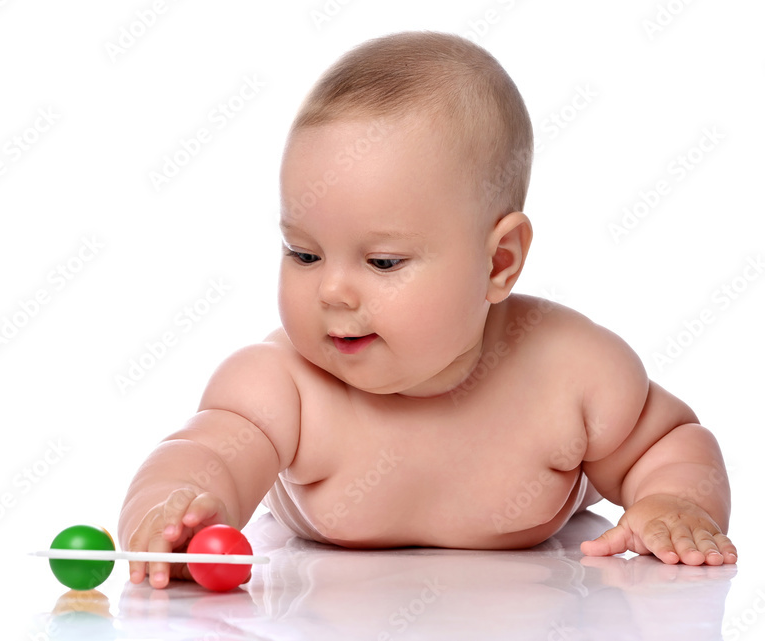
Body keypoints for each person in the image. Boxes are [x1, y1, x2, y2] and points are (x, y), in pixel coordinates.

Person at [118, 31, 737, 589]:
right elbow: (204, 454)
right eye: (303, 254)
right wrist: (178, 510)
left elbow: (670, 442)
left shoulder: (571, 371)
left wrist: (674, 504)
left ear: (498, 263)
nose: (332, 291)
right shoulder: (282, 386)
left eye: (383, 262)